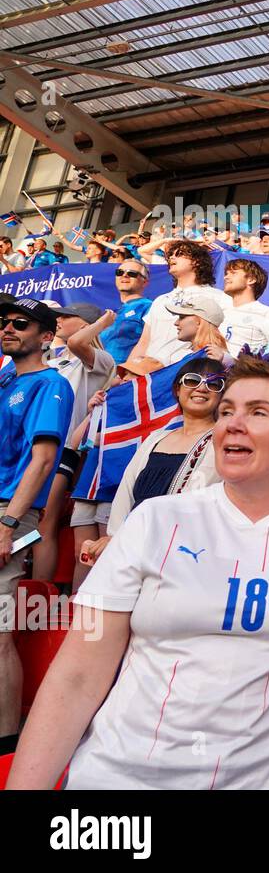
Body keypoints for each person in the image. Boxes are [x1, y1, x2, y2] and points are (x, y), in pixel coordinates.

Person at [9, 354, 269, 789]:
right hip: (124, 780)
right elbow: (77, 673)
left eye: (258, 412)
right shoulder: (153, 520)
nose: (232, 423)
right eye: (227, 411)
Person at [0, 298, 74, 753]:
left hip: (10, 509)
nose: (8, 328)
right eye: (4, 322)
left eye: (20, 323)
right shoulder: (6, 378)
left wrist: (9, 525)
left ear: (46, 336)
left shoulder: (52, 383)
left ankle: (7, 740)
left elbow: (44, 459)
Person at [79, 356, 227, 575]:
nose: (201, 388)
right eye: (192, 380)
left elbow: (199, 501)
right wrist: (116, 537)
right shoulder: (156, 438)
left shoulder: (223, 440)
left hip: (181, 554)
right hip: (132, 548)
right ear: (177, 389)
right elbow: (126, 491)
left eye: (214, 384)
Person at [31, 304, 116, 581]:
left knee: (46, 524)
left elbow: (80, 342)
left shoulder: (99, 360)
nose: (59, 320)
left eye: (67, 316)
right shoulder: (52, 362)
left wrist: (104, 321)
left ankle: (38, 594)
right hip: (29, 447)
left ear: (84, 324)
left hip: (64, 449)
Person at [128, 241, 233, 367]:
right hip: (149, 374)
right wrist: (125, 373)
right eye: (170, 255)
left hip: (186, 375)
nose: (172, 257)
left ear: (197, 261)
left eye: (179, 254)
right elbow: (144, 342)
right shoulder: (160, 300)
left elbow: (224, 342)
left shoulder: (219, 298)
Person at [221, 258, 269, 353]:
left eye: (233, 273)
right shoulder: (221, 313)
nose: (226, 277)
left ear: (251, 279)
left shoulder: (268, 314)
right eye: (226, 273)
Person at [102, 259, 153, 364]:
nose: (124, 275)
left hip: (124, 376)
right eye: (119, 272)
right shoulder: (114, 312)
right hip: (100, 374)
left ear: (145, 282)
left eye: (132, 273)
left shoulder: (149, 307)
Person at [169, 295, 229, 362]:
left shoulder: (220, 359)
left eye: (182, 317)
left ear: (199, 322)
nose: (176, 323)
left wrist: (226, 361)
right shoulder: (187, 357)